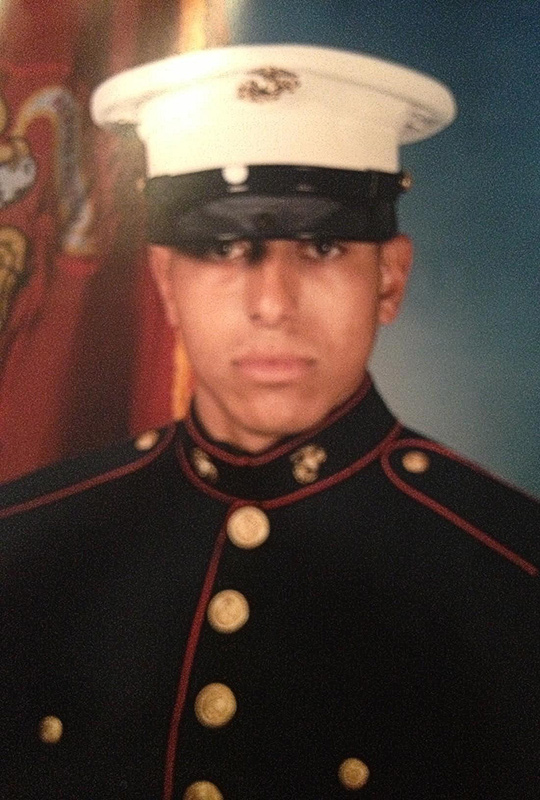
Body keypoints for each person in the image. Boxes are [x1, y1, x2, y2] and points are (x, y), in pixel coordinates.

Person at [1, 44, 538, 800]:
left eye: (323, 246)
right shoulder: (23, 548)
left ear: (389, 280)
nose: (274, 305)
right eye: (225, 248)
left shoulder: (514, 581)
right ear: (166, 282)